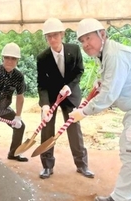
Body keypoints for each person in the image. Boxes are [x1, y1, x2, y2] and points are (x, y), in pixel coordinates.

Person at [70, 18, 131, 201]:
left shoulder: (114, 55)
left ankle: (122, 197)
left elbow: (109, 95)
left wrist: (83, 112)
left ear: (102, 34)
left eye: (88, 38)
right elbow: (111, 83)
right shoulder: (106, 54)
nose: (85, 44)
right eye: (82, 41)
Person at [36, 18, 94, 179]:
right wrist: (45, 106)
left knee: (74, 129)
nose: (52, 39)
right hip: (52, 97)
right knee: (47, 128)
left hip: (70, 94)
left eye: (55, 35)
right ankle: (47, 166)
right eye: (49, 36)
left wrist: (69, 86)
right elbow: (42, 84)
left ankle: (82, 165)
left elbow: (79, 71)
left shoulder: (74, 50)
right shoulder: (42, 58)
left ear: (62, 34)